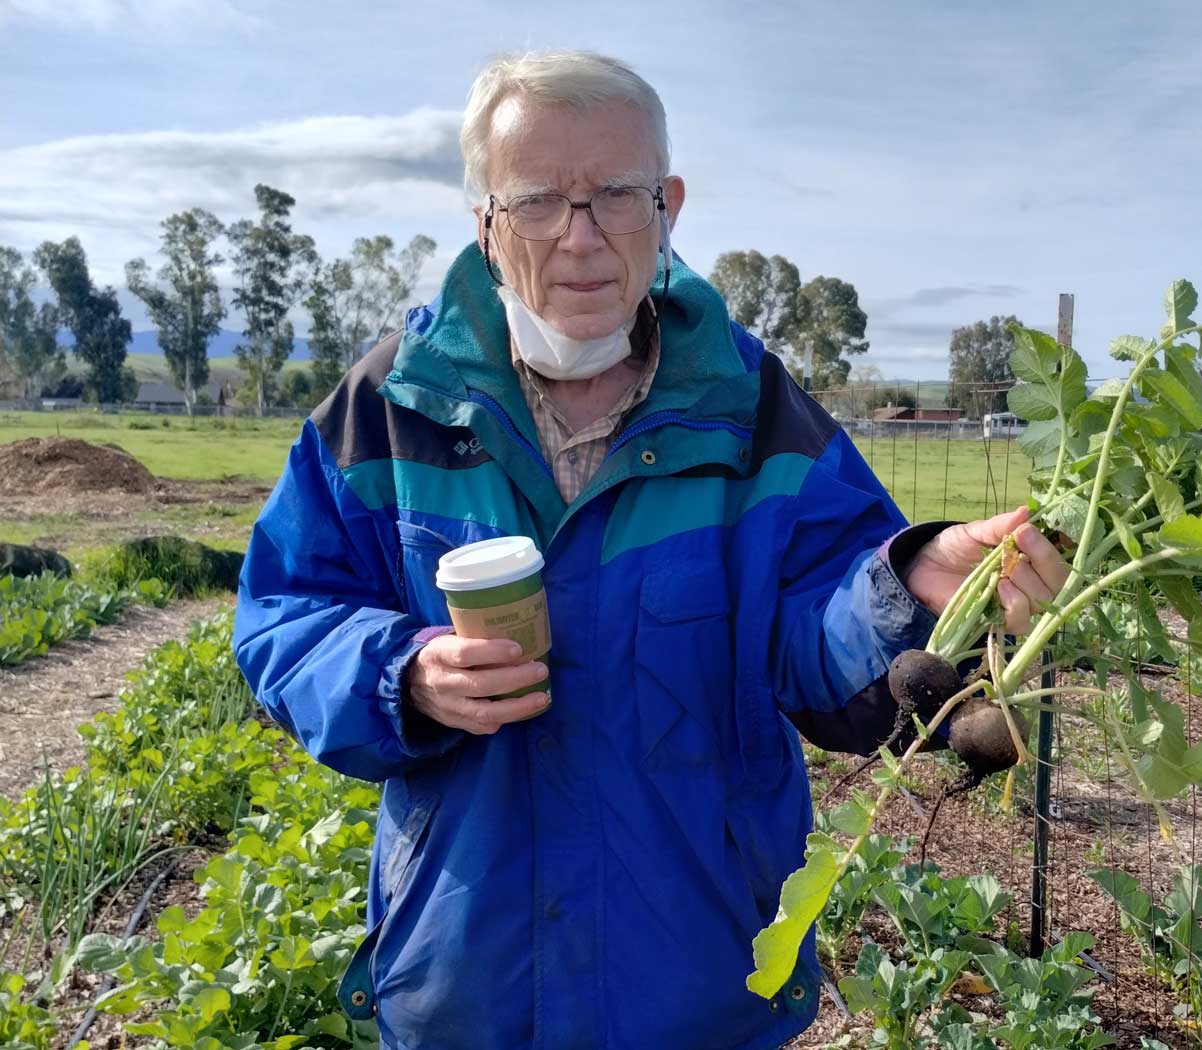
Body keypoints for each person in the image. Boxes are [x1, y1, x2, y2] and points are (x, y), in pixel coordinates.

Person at [233, 49, 1068, 1050]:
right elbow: (284, 616)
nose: (580, 238)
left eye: (616, 197)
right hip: (468, 978)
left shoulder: (753, 412)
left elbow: (818, 636)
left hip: (696, 974)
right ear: (487, 224)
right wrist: (400, 674)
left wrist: (901, 584)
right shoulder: (390, 409)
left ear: (667, 204)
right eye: (538, 199)